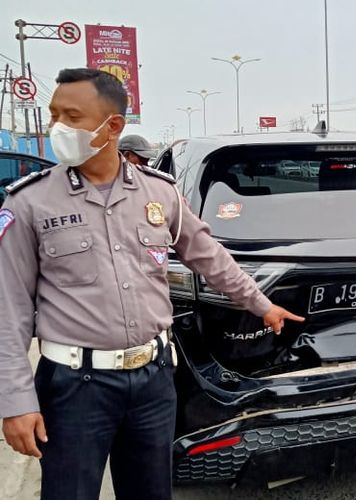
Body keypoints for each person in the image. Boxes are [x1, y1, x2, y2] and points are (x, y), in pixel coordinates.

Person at [0, 68, 305, 500]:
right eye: (54, 116)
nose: (57, 128)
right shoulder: (29, 201)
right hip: (74, 386)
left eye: (71, 116)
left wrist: (260, 304)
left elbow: (207, 255)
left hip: (153, 379)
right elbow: (6, 310)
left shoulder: (158, 193)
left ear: (113, 127)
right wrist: (15, 401)